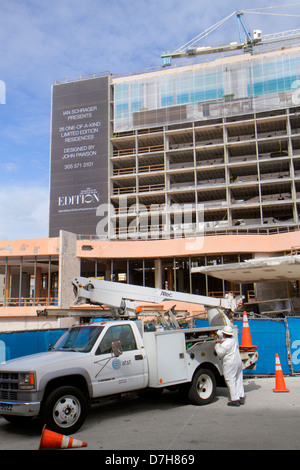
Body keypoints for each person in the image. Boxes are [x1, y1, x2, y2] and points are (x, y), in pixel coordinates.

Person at [215, 325, 245, 407]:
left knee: (230, 380)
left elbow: (220, 353)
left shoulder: (225, 344)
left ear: (224, 334)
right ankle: (241, 397)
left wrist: (217, 344)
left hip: (230, 363)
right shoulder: (233, 339)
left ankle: (235, 400)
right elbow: (224, 335)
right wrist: (219, 333)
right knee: (238, 379)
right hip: (238, 361)